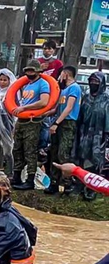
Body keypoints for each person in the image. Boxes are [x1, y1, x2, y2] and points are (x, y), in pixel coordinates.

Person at [11, 60, 51, 190]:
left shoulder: (43, 84)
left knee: (30, 150)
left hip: (33, 121)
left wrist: (25, 108)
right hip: (21, 121)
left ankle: (30, 179)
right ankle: (16, 175)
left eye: (32, 71)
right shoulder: (27, 85)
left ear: (38, 71)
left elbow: (44, 102)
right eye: (28, 71)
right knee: (17, 148)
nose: (29, 73)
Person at [72, 72, 109, 201]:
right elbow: (80, 115)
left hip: (99, 134)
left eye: (96, 81)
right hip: (84, 132)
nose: (93, 83)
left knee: (95, 161)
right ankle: (79, 184)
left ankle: (92, 188)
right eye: (91, 81)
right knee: (81, 158)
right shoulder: (86, 97)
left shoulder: (106, 99)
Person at [45, 66, 81, 195]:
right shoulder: (63, 90)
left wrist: (56, 123)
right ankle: (53, 182)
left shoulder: (74, 88)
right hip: (58, 121)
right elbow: (58, 108)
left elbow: (69, 108)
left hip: (67, 123)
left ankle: (67, 183)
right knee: (54, 152)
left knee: (63, 153)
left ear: (66, 74)